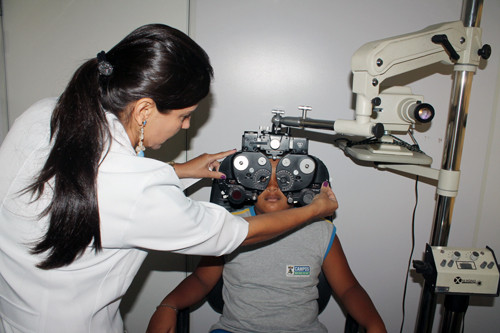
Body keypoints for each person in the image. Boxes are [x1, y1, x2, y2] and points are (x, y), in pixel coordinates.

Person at [0, 24, 338, 333]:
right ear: (145, 110)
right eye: (185, 115)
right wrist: (314, 209)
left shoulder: (46, 113)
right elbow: (235, 234)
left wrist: (183, 170)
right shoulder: (135, 188)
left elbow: (88, 178)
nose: (187, 126)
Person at [147, 158, 386, 333]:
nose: (272, 187)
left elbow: (348, 288)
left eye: (283, 179)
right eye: (262, 179)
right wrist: (168, 305)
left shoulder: (320, 230)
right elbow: (201, 280)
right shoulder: (230, 226)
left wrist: (374, 323)